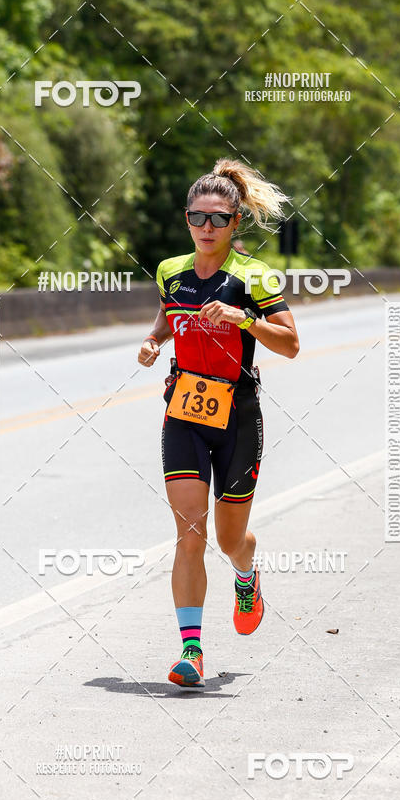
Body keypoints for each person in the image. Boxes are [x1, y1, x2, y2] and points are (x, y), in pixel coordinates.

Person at [138, 157, 299, 688]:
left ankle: (246, 574)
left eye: (218, 219)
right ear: (186, 220)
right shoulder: (170, 270)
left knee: (231, 540)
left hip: (238, 416)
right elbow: (169, 311)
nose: (207, 228)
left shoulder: (254, 276)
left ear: (235, 222)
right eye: (197, 218)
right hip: (183, 412)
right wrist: (155, 340)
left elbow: (291, 345)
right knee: (189, 531)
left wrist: (245, 318)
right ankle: (191, 651)